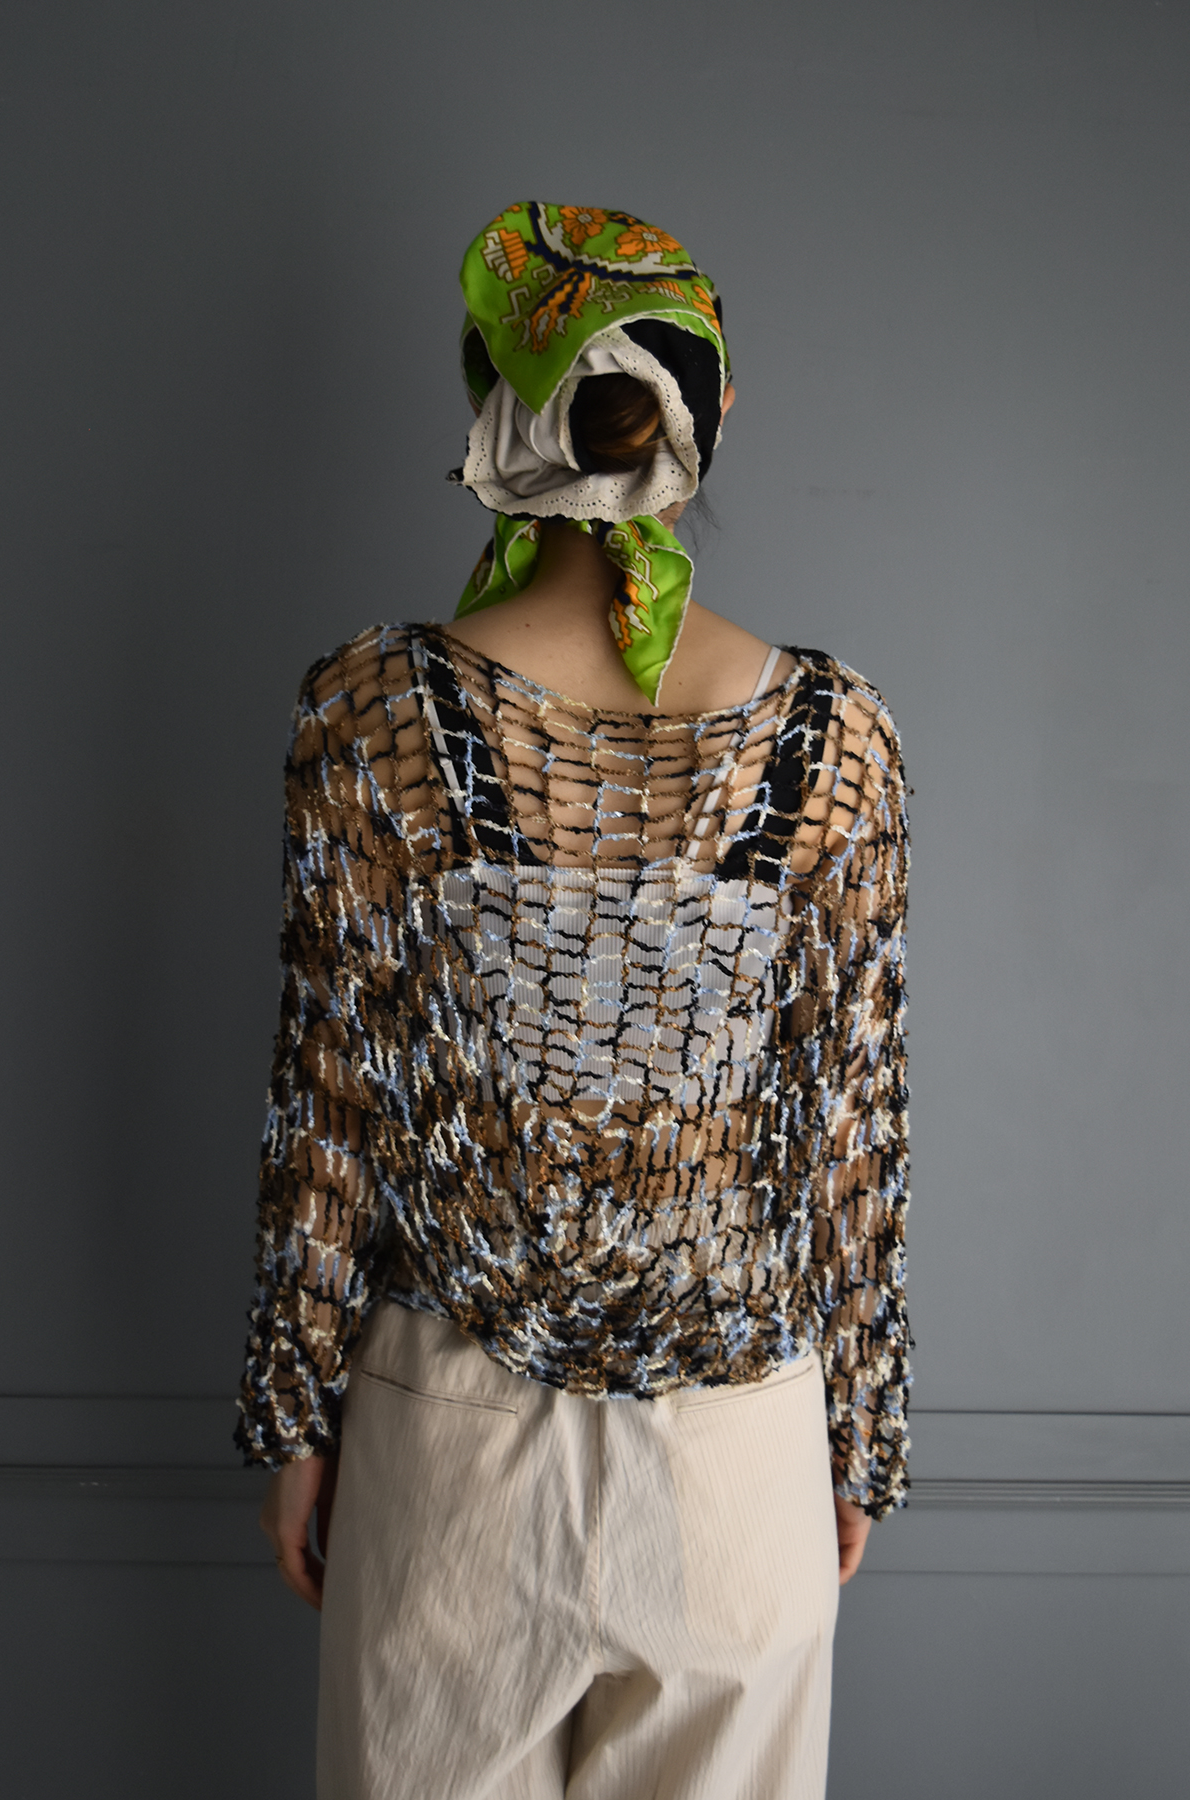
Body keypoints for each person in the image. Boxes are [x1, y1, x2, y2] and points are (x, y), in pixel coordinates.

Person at [236, 201, 911, 1800]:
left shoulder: (368, 716)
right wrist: (862, 1441)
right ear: (712, 416)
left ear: (496, 409)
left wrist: (297, 1420)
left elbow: (327, 1107)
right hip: (737, 1457)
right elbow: (853, 1130)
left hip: (451, 1441)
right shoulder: (838, 738)